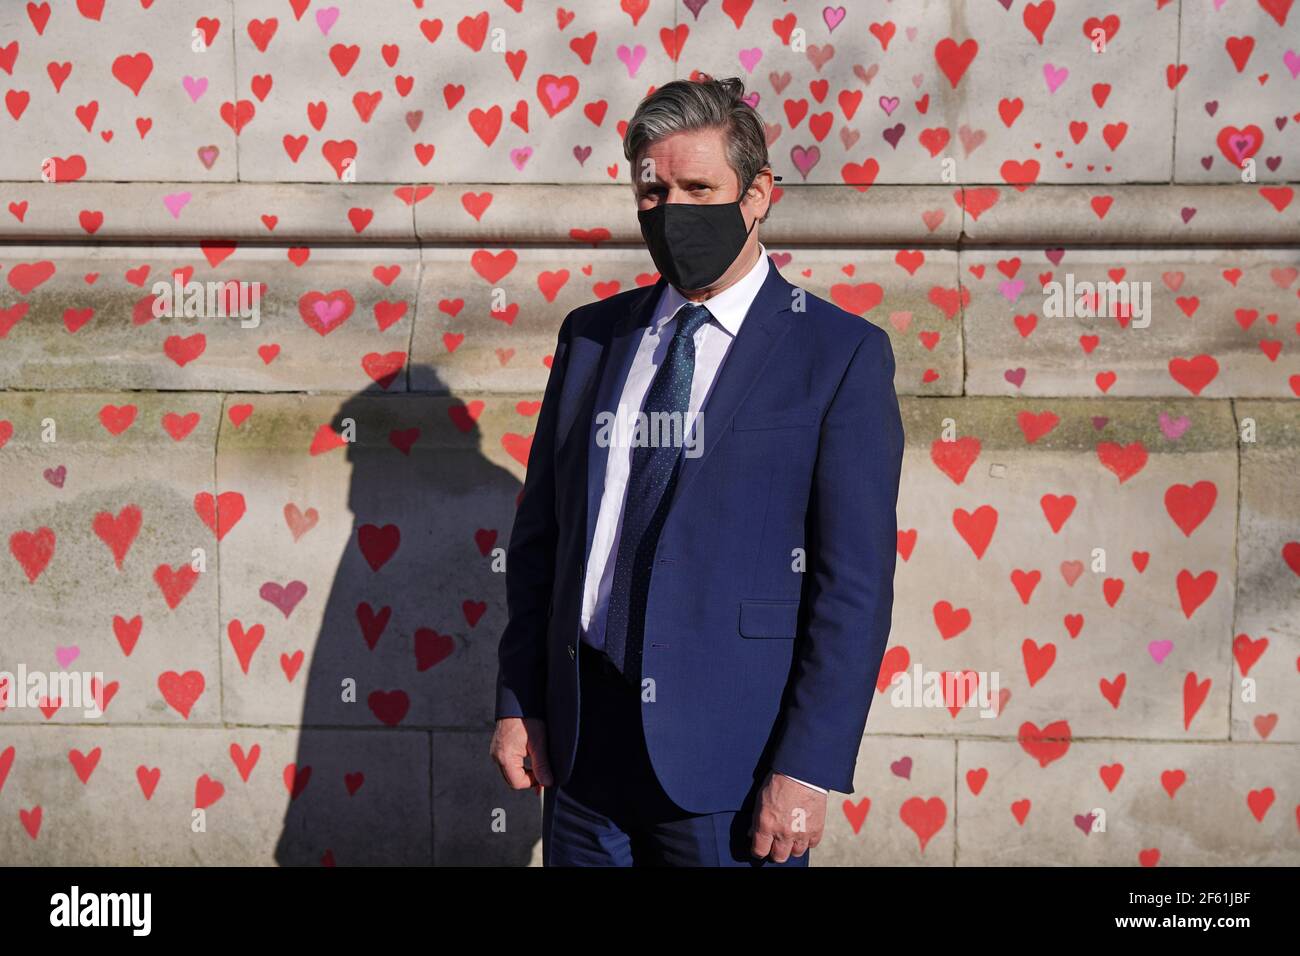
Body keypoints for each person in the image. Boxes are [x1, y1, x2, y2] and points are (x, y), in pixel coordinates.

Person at [489, 75, 905, 866]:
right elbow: (540, 541)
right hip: (581, 754)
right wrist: (521, 700)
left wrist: (808, 770)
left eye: (699, 187)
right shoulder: (592, 339)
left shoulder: (838, 354)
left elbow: (853, 588)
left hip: (733, 770)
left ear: (758, 196)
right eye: (654, 192)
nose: (673, 211)